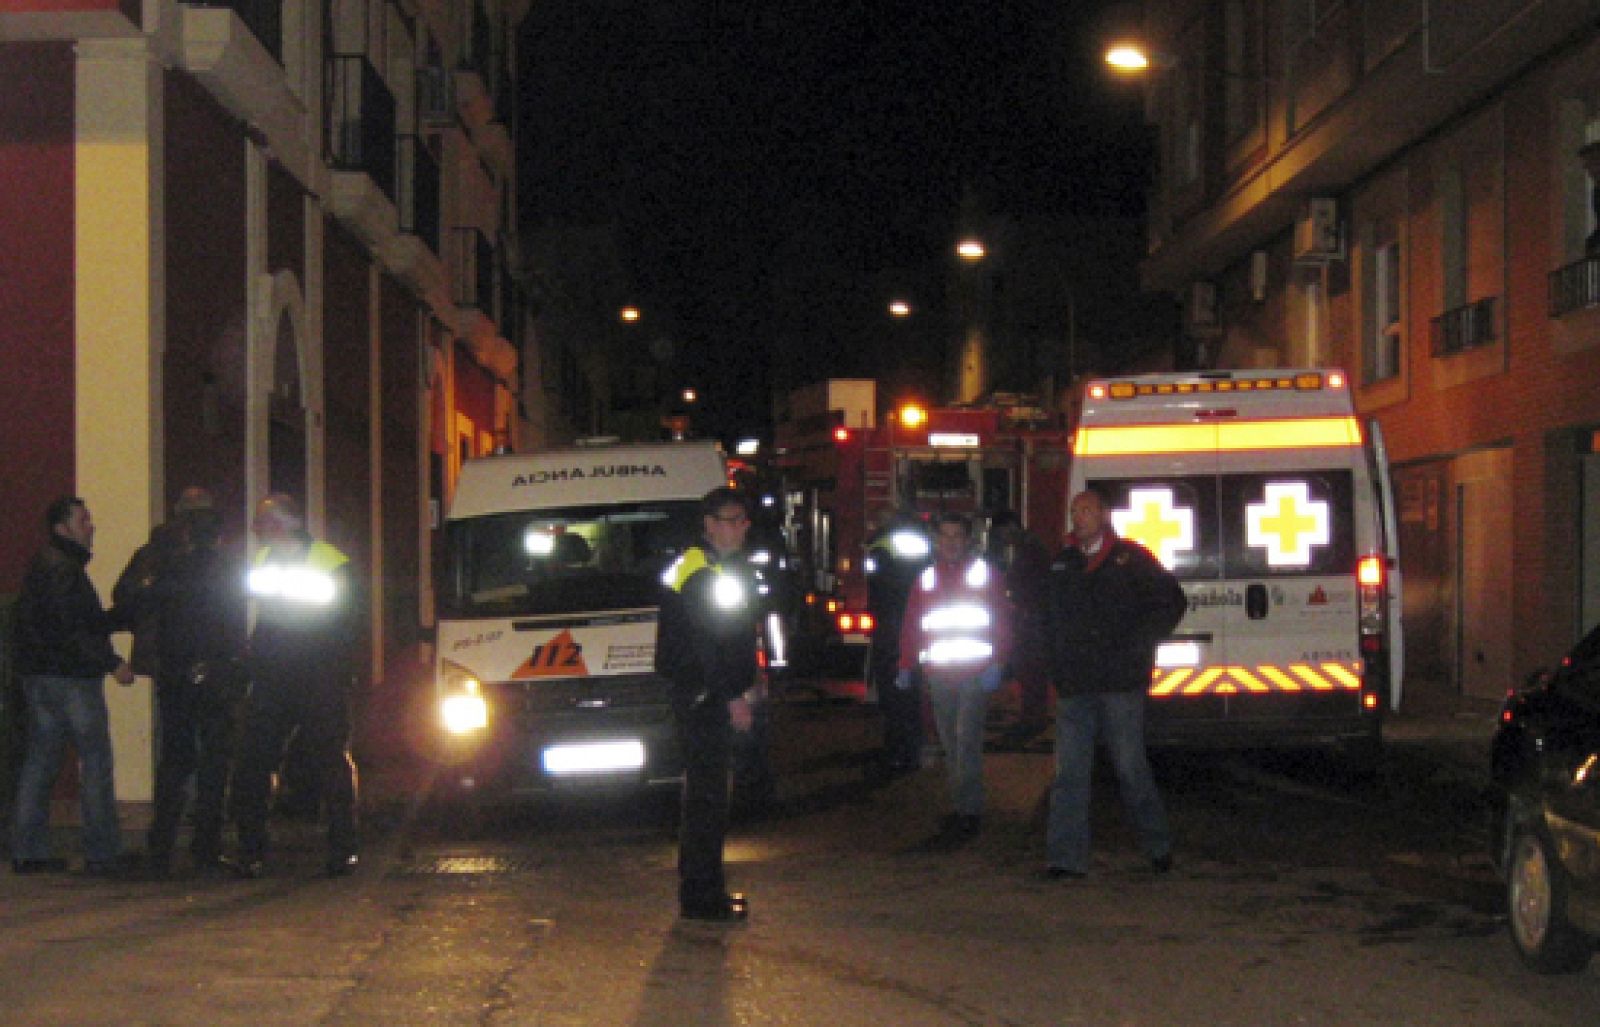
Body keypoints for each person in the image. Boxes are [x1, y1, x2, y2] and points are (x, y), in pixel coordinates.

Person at [1043, 489, 1189, 879]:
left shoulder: (1132, 559)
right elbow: (1047, 620)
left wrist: (1139, 646)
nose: (1080, 515)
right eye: (1075, 510)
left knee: (1130, 768)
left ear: (1105, 514)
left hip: (1119, 684)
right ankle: (1065, 859)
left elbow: (1171, 602)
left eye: (1087, 509)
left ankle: (1158, 848)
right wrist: (1054, 666)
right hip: (1075, 685)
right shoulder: (1062, 563)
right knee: (1069, 774)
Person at [228, 493, 360, 878]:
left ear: (282, 525)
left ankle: (343, 849)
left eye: (261, 523)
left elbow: (346, 625)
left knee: (331, 761)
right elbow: (267, 618)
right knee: (254, 761)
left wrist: (337, 672)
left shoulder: (330, 562)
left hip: (318, 675)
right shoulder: (264, 560)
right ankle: (251, 850)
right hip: (274, 675)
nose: (255, 531)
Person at [10, 497, 136, 875]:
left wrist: (111, 621)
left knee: (41, 761)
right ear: (62, 528)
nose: (91, 526)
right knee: (95, 761)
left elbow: (70, 623)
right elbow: (72, 628)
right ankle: (102, 850)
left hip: (41, 676)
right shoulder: (64, 569)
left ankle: (27, 849)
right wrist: (111, 662)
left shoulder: (49, 565)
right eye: (83, 520)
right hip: (71, 679)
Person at [655, 487, 762, 922]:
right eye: (732, 519)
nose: (741, 527)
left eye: (743, 519)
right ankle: (702, 896)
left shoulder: (711, 565)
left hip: (701, 692)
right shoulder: (702, 571)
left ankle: (702, 888)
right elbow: (707, 644)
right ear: (710, 525)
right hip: (705, 696)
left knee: (705, 794)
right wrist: (732, 695)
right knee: (708, 797)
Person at [139, 499, 246, 876]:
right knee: (214, 764)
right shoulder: (230, 573)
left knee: (175, 761)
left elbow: (152, 617)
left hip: (175, 676)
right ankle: (206, 848)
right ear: (218, 537)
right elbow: (232, 628)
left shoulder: (169, 570)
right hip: (214, 676)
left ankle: (161, 847)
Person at [895, 512, 1011, 841]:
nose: (950, 543)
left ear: (968, 540)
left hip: (975, 672)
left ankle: (969, 812)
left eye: (956, 536)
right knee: (951, 744)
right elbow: (912, 623)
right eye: (945, 536)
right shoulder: (926, 579)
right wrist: (906, 663)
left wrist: (998, 662)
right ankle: (962, 806)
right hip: (940, 673)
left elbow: (1002, 620)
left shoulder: (984, 575)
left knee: (966, 743)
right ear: (936, 540)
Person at [864, 508, 931, 775]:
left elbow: (876, 586)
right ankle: (913, 749)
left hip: (890, 628)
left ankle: (896, 752)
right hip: (914, 625)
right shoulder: (922, 544)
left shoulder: (880, 545)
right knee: (911, 693)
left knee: (892, 695)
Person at [987, 511, 1054, 745]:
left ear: (1012, 527)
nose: (1002, 538)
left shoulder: (1030, 550)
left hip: (1032, 622)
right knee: (1029, 673)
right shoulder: (1030, 547)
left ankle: (1033, 719)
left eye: (1002, 532)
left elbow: (1026, 585)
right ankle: (1032, 716)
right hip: (1031, 620)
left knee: (1031, 672)